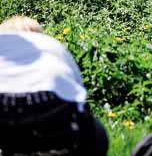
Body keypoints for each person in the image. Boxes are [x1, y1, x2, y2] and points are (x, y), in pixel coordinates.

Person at [0, 16, 108, 155]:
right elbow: (80, 97)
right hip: (54, 112)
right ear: (40, 35)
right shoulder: (51, 46)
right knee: (97, 132)